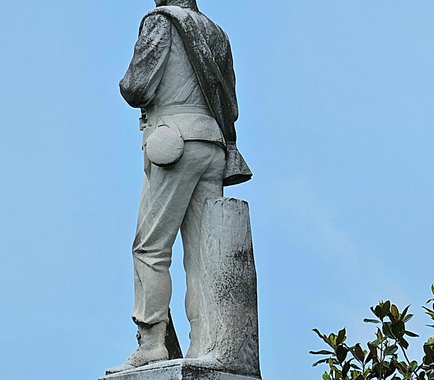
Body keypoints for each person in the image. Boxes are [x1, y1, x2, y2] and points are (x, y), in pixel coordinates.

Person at [106, 0, 251, 374]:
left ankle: (152, 343)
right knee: (203, 256)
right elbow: (229, 103)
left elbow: (137, 87)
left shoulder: (160, 21)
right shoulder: (216, 32)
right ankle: (205, 341)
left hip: (175, 144)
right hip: (212, 145)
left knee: (150, 247)